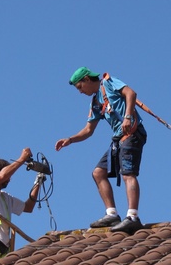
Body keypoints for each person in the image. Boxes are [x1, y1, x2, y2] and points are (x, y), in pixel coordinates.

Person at [55, 67, 147, 234]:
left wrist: (127, 117)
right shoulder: (95, 103)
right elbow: (88, 130)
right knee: (98, 173)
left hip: (131, 133)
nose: (80, 92)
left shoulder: (108, 83)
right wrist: (70, 139)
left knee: (128, 174)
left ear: (87, 80)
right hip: (119, 140)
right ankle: (111, 214)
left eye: (80, 87)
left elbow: (131, 93)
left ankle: (133, 216)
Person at [0, 148, 44, 262]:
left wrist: (38, 182)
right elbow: (2, 176)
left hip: (3, 249)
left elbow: (28, 207)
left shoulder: (5, 197)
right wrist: (21, 159)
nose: (9, 179)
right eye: (8, 175)